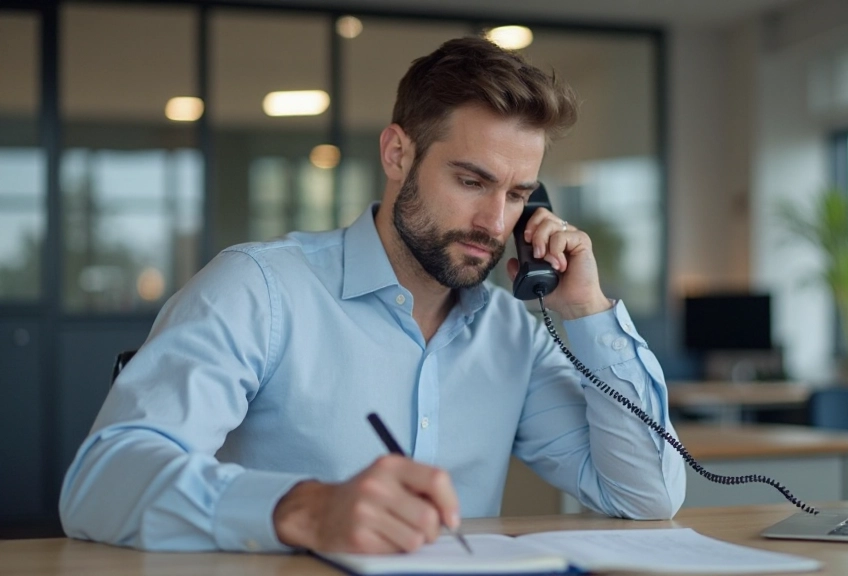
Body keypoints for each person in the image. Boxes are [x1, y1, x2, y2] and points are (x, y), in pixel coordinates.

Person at [59, 37, 685, 554]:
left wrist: (587, 310)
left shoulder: (514, 335)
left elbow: (646, 495)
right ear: (397, 154)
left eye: (519, 195)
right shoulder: (260, 289)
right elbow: (100, 482)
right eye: (471, 181)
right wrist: (305, 510)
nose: (496, 223)